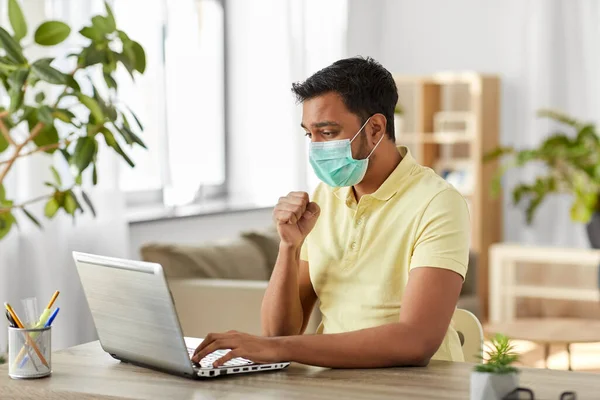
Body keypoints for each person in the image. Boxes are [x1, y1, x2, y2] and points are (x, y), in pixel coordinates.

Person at [193, 56, 470, 368]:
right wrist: (289, 246)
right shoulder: (325, 196)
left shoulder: (438, 202)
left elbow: (415, 341)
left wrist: (281, 349)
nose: (316, 147)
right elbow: (278, 334)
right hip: (333, 381)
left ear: (376, 128)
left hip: (415, 387)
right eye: (309, 134)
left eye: (327, 133)